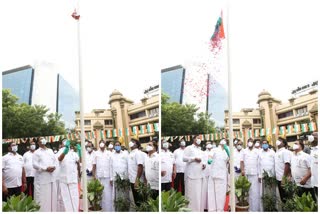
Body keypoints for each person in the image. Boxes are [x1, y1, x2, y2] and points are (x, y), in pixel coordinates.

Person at [33, 137, 58, 212]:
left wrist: (54, 167)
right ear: (38, 143)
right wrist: (45, 168)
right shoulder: (36, 152)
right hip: (42, 179)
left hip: (51, 178)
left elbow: (55, 161)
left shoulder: (50, 151)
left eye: (43, 139)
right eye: (40, 139)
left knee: (51, 198)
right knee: (42, 198)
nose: (42, 140)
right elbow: (34, 165)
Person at [56, 139, 80, 212]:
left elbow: (79, 161)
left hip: (73, 179)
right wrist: (64, 152)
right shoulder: (60, 151)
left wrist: (80, 152)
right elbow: (59, 159)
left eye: (67, 141)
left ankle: (75, 211)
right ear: (62, 144)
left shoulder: (73, 153)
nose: (66, 142)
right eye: (64, 141)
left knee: (75, 198)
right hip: (64, 180)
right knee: (65, 199)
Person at [183, 136, 205, 212]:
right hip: (191, 175)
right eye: (197, 138)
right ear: (193, 139)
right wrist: (194, 159)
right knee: (191, 194)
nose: (199, 139)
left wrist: (203, 164)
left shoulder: (200, 150)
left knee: (198, 194)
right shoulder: (189, 148)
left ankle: (198, 210)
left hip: (199, 175)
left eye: (200, 138)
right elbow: (184, 158)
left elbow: (202, 160)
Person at [207, 139, 229, 212]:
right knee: (212, 194)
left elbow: (230, 160)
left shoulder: (227, 151)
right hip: (213, 174)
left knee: (221, 194)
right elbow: (210, 155)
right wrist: (209, 159)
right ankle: (212, 210)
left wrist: (228, 151)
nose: (223, 143)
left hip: (222, 175)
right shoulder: (215, 149)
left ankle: (220, 210)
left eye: (224, 141)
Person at [240, 138, 260, 211]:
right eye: (249, 142)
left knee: (254, 192)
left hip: (255, 174)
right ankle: (248, 209)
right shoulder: (244, 151)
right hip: (246, 174)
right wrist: (242, 170)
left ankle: (255, 209)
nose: (250, 143)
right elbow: (241, 161)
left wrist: (259, 174)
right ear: (247, 142)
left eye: (251, 142)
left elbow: (259, 163)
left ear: (253, 143)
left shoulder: (257, 151)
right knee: (247, 192)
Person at [92, 140, 113, 211]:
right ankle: (101, 210)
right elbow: (94, 165)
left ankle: (109, 210)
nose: (102, 144)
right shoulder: (96, 153)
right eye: (100, 142)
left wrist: (111, 178)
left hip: (107, 177)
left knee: (108, 195)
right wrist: (94, 176)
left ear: (105, 144)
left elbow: (111, 166)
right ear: (98, 144)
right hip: (99, 177)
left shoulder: (109, 153)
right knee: (100, 195)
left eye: (103, 142)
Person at [110, 141, 129, 210]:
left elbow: (128, 165)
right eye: (116, 145)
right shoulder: (112, 155)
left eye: (118, 145)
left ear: (120, 146)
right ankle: (118, 209)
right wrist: (111, 178)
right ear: (114, 147)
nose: (117, 146)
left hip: (124, 177)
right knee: (117, 195)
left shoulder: (125, 154)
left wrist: (128, 176)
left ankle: (126, 209)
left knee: (125, 194)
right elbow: (110, 167)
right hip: (116, 178)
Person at [258, 139, 276, 211]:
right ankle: (265, 208)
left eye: (266, 143)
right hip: (263, 175)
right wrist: (259, 175)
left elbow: (275, 163)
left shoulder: (272, 152)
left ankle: (272, 207)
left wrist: (274, 175)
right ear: (261, 145)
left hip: (271, 176)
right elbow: (259, 165)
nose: (264, 145)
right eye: (263, 143)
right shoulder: (260, 153)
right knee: (264, 193)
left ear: (268, 144)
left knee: (272, 192)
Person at [127, 138, 145, 207]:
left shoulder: (138, 153)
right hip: (132, 180)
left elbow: (140, 166)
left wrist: (137, 180)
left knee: (140, 201)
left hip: (138, 181)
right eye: (130, 141)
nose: (130, 142)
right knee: (136, 200)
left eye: (133, 142)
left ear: (136, 144)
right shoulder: (130, 153)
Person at [274, 137, 291, 203]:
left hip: (284, 179)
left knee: (286, 198)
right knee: (282, 197)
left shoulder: (285, 152)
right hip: (279, 178)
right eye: (278, 140)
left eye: (280, 140)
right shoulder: (277, 152)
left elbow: (287, 165)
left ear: (284, 143)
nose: (278, 141)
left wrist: (284, 178)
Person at [202, 141, 214, 211]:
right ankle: (205, 207)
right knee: (205, 190)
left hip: (212, 174)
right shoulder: (203, 153)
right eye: (207, 144)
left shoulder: (214, 152)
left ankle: (211, 207)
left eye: (210, 143)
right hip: (205, 174)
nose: (209, 145)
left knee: (211, 191)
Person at [309, 132, 318, 200]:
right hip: (314, 182)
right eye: (312, 135)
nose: (313, 137)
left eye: (315, 135)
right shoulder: (311, 150)